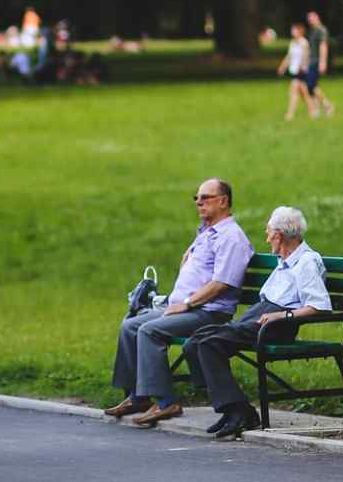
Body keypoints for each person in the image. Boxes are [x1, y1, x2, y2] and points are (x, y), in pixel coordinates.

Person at [106, 179, 254, 426]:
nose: (198, 202)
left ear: (223, 201)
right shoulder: (207, 233)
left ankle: (166, 402)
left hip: (208, 312)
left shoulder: (232, 237)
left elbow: (222, 283)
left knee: (149, 330)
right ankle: (138, 396)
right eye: (196, 197)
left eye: (205, 197)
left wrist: (187, 303)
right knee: (130, 325)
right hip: (186, 307)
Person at [183, 206, 331, 439]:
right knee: (195, 341)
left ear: (279, 235)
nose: (266, 237)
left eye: (268, 232)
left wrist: (282, 316)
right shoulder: (285, 259)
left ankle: (239, 411)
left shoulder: (306, 262)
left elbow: (319, 305)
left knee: (209, 344)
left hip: (276, 325)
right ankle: (232, 407)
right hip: (261, 316)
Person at [276, 22, 312, 121]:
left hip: (301, 70)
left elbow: (306, 56)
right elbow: (289, 56)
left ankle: (290, 114)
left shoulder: (304, 42)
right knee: (303, 92)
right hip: (294, 70)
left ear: (300, 31)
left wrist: (301, 67)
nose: (292, 31)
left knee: (293, 91)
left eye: (294, 30)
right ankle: (313, 110)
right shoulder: (292, 43)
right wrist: (282, 66)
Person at [305, 11, 336, 118]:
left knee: (310, 85)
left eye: (312, 18)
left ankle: (327, 105)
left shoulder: (321, 30)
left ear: (317, 17)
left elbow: (323, 46)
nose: (310, 20)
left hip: (317, 61)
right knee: (312, 86)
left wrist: (323, 62)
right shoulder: (312, 31)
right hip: (311, 61)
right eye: (309, 18)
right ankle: (317, 109)